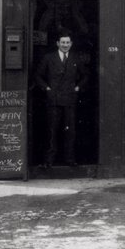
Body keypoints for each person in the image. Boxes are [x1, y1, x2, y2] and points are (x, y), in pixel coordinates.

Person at [33, 30, 87, 166]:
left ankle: (70, 160)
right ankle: (49, 161)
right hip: (54, 100)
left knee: (70, 131)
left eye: (67, 42)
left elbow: (86, 75)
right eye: (63, 42)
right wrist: (47, 89)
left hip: (70, 99)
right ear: (57, 43)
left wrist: (78, 87)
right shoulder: (49, 58)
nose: (65, 45)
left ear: (71, 44)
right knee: (52, 131)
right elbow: (38, 75)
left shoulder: (76, 58)